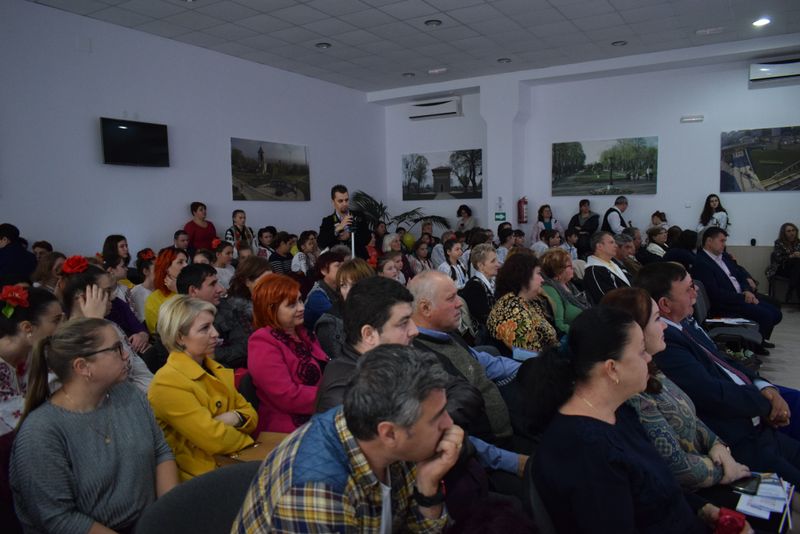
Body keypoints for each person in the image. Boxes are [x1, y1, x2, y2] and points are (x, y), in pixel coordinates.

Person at [525, 307, 716, 533]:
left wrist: (703, 508)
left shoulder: (620, 412)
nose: (649, 358)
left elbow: (655, 486)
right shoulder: (587, 454)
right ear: (612, 369)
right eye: (642, 351)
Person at [232, 345, 462, 532]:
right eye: (438, 417)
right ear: (389, 433)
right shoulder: (319, 497)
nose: (449, 423)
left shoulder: (380, 428)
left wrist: (427, 487)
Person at [635, 262, 800, 485]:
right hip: (742, 439)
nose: (696, 292)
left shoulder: (684, 325)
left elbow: (725, 361)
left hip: (757, 423)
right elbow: (712, 393)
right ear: (665, 304)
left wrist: (765, 387)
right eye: (688, 288)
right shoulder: (665, 343)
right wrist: (765, 403)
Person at [11, 317, 179, 533]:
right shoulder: (40, 433)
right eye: (117, 349)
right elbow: (59, 519)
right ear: (82, 367)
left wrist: (168, 516)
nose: (126, 355)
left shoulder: (128, 394)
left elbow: (161, 452)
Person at [602, 287, 751, 490]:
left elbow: (693, 419)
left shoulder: (653, 369)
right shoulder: (631, 394)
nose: (664, 325)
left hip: (714, 465)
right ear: (636, 331)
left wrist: (718, 445)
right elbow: (678, 468)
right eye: (657, 319)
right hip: (693, 491)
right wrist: (724, 468)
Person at [148, 295, 257, 480]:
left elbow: (252, 416)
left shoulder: (215, 368)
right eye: (205, 328)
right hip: (200, 479)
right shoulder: (166, 383)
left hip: (230, 465)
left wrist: (234, 418)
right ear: (180, 338)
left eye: (212, 325)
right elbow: (214, 439)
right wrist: (245, 434)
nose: (215, 333)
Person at [409, 270, 520, 444]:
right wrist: (509, 458)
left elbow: (485, 363)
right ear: (425, 308)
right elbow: (454, 434)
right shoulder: (420, 358)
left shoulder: (446, 333)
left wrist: (530, 362)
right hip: (489, 447)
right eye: (451, 298)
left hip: (506, 430)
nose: (459, 303)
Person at [316, 276, 417, 412]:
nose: (414, 330)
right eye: (403, 323)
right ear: (369, 334)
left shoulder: (390, 359)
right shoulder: (347, 396)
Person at [248, 273, 329, 433]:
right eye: (292, 305)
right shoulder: (262, 342)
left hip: (320, 412)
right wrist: (333, 396)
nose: (301, 308)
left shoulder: (303, 333)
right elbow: (286, 396)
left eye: (300, 300)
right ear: (270, 309)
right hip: (286, 427)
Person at [60, 258, 153, 391]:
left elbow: (139, 369)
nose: (113, 297)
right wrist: (94, 322)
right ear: (82, 296)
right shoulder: (66, 340)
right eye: (106, 291)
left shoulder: (111, 325)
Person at [693, 227, 781, 344]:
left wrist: (747, 290)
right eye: (722, 241)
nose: (724, 244)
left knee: (776, 312)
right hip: (727, 304)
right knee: (767, 315)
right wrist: (743, 297)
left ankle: (758, 339)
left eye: (725, 241)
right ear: (709, 241)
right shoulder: (702, 262)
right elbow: (715, 293)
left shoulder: (724, 256)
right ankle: (757, 343)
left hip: (741, 296)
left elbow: (739, 275)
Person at [487, 251, 558, 353]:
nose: (542, 279)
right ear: (524, 277)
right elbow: (529, 357)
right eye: (538, 273)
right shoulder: (513, 311)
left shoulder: (528, 301)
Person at [212, 256, 271, 369]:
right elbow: (246, 346)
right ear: (248, 282)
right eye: (264, 281)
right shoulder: (232, 309)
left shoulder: (272, 302)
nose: (270, 285)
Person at [314, 258, 374, 362]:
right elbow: (338, 364)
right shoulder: (330, 324)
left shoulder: (378, 309)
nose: (348, 291)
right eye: (343, 285)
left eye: (354, 284)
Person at [540, 248, 589, 334]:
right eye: (569, 266)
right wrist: (585, 332)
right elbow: (559, 325)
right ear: (558, 270)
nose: (573, 267)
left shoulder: (570, 285)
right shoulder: (550, 289)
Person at [144, 247, 189, 333]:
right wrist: (179, 292)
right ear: (166, 268)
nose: (186, 265)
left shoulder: (191, 288)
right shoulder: (153, 300)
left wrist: (179, 291)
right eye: (180, 262)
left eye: (186, 261)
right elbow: (166, 332)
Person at [318, 184, 370, 259]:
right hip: (338, 260)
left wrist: (350, 235)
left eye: (346, 200)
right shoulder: (328, 221)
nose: (345, 204)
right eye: (340, 201)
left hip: (358, 259)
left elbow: (367, 238)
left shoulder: (359, 216)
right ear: (333, 202)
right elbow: (321, 243)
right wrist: (337, 230)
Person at [459, 243, 498, 339]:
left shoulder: (491, 282)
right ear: (481, 266)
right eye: (493, 261)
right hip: (486, 337)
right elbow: (485, 319)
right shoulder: (474, 287)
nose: (497, 264)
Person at [583, 231, 631, 304]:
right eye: (611, 242)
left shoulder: (614, 263)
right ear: (599, 246)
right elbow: (608, 299)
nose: (616, 246)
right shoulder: (593, 271)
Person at [303, 251, 346, 329]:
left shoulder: (338, 289)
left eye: (343, 266)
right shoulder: (317, 295)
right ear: (324, 271)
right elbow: (339, 319)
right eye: (338, 266)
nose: (343, 269)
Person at [766, 222, 800, 301]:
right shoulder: (779, 243)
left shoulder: (799, 242)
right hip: (782, 268)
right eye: (789, 231)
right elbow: (778, 258)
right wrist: (792, 256)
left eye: (793, 230)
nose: (792, 233)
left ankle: (791, 289)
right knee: (797, 262)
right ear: (784, 233)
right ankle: (791, 289)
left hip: (795, 270)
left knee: (798, 266)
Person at [130, 248, 155, 322]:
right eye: (157, 269)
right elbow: (142, 319)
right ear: (146, 271)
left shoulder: (163, 287)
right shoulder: (136, 292)